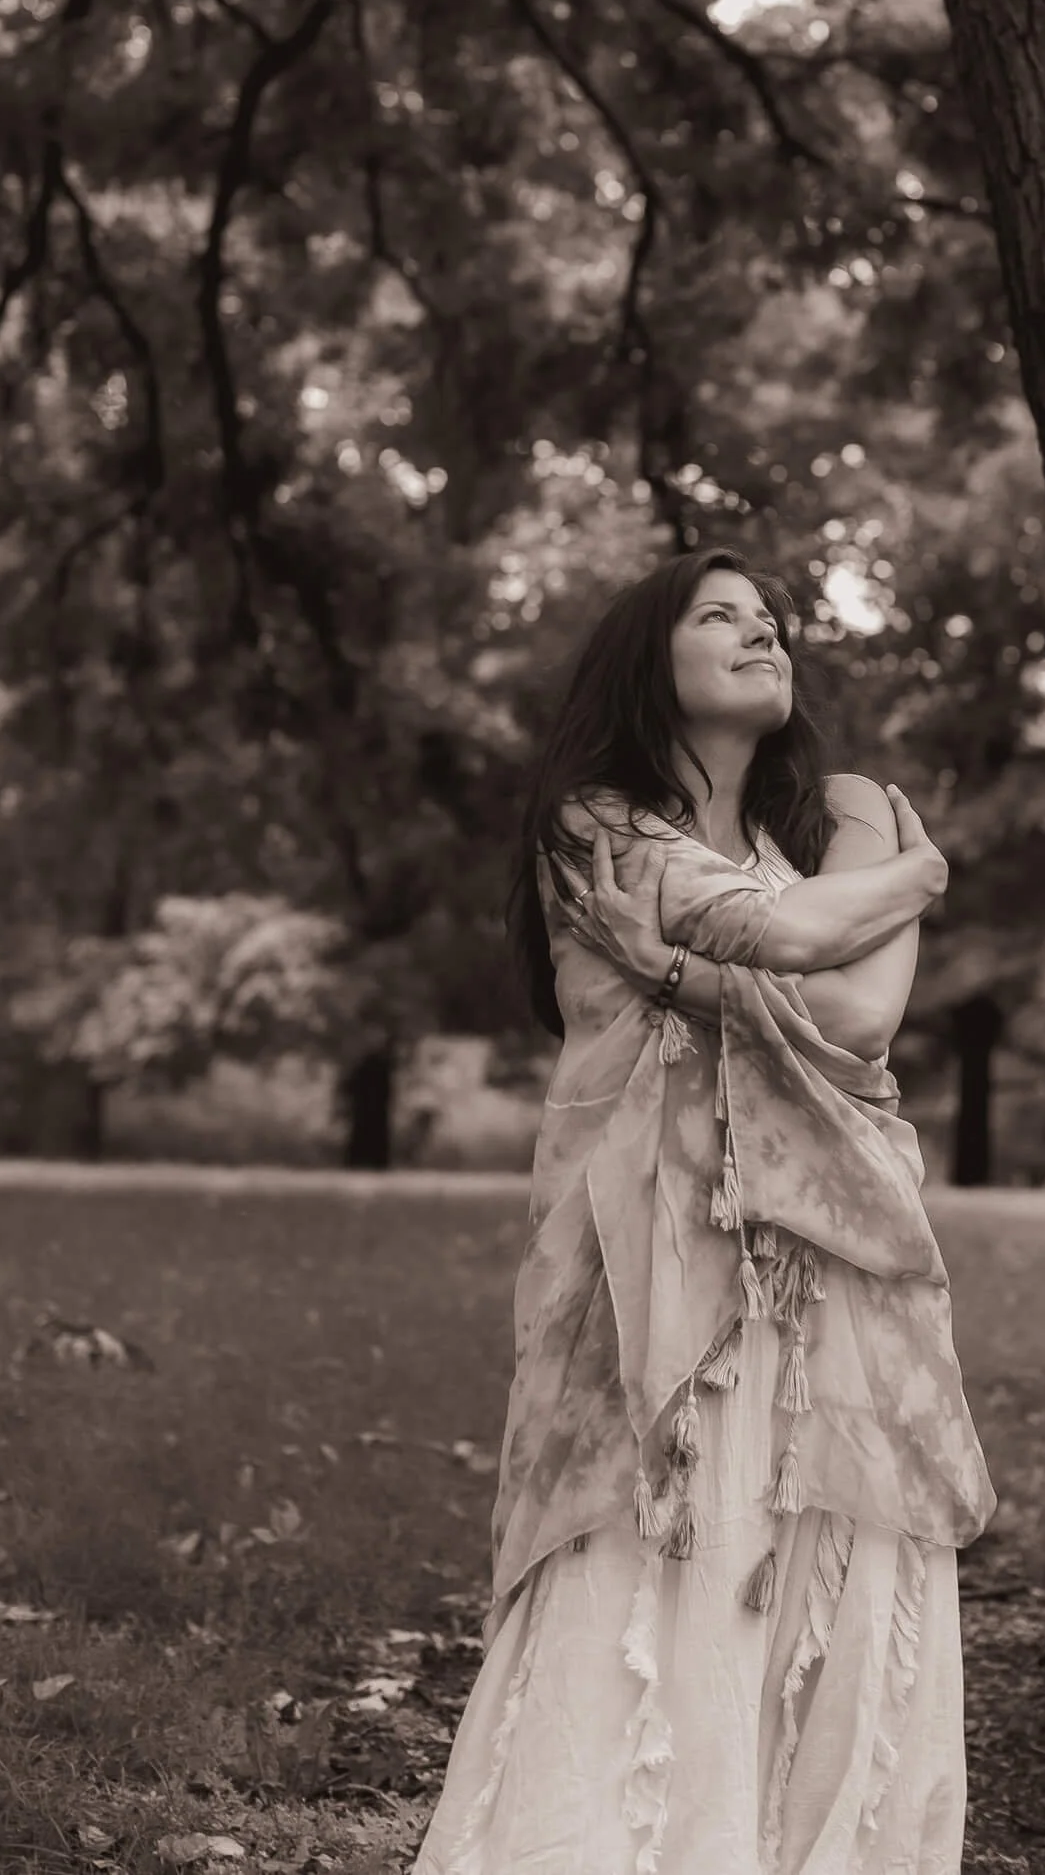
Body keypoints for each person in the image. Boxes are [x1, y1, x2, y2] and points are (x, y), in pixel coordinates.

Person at [411, 546, 995, 1875]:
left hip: (822, 1249)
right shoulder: (596, 826)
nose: (762, 632)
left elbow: (858, 1016)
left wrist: (698, 965)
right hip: (653, 1254)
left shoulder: (822, 838)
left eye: (771, 618)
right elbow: (794, 943)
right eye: (720, 616)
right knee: (660, 1536)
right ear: (647, 662)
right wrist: (917, 878)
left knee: (813, 1553)